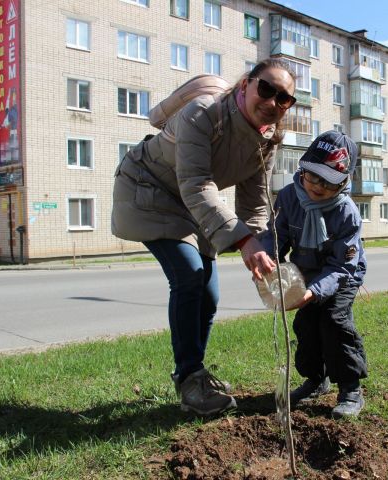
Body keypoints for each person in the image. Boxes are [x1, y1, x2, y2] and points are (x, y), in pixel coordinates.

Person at [111, 59, 297, 415]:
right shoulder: (203, 113)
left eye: (285, 98)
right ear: (245, 85)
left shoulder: (267, 140)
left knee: (209, 294)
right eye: (267, 89)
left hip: (193, 204)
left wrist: (263, 247)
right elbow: (196, 183)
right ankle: (190, 378)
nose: (273, 102)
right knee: (189, 276)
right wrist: (244, 242)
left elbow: (255, 201)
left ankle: (195, 373)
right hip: (149, 190)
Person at [259, 131, 368, 418]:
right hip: (306, 271)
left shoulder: (347, 213)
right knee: (306, 326)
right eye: (313, 176)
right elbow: (276, 235)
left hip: (341, 274)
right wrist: (269, 258)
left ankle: (350, 389)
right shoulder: (287, 197)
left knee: (334, 321)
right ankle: (316, 379)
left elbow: (343, 266)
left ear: (344, 182)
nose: (317, 186)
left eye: (328, 181)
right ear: (302, 169)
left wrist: (314, 292)